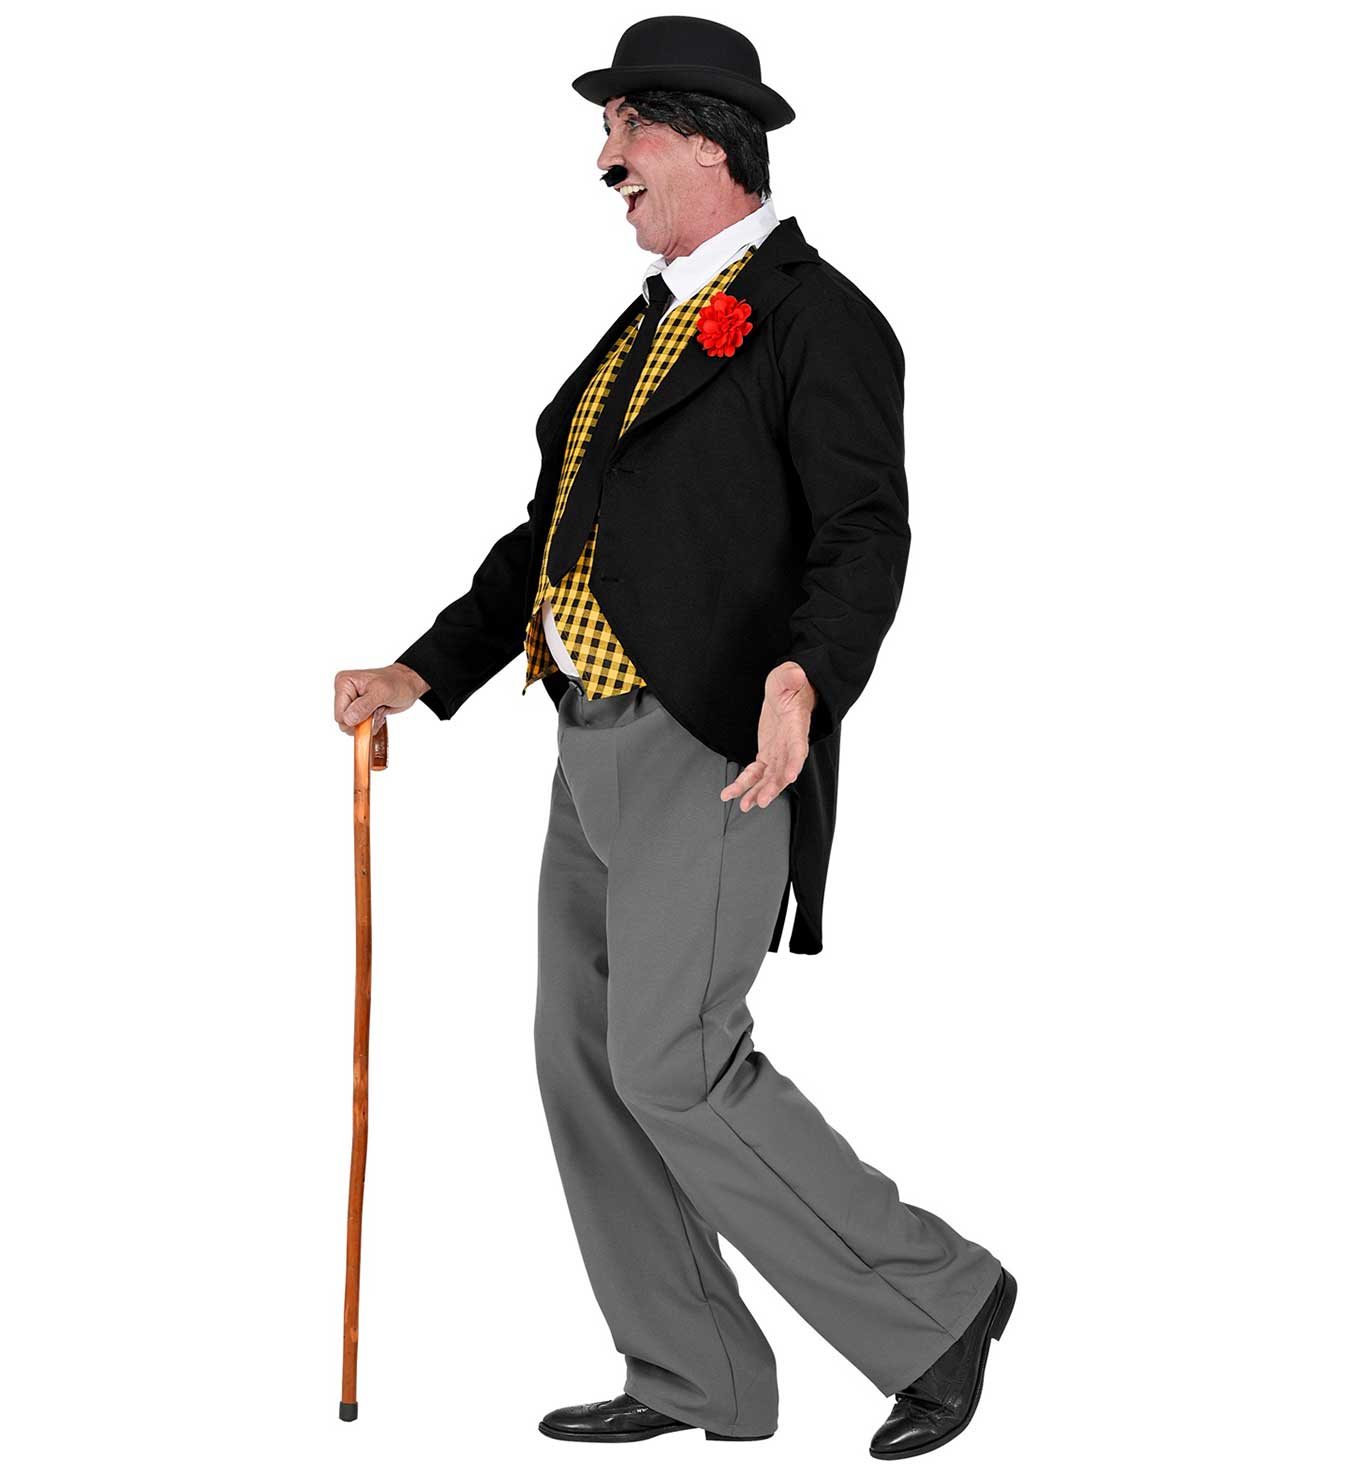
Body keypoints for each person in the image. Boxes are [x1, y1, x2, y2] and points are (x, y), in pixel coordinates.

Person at [332, 15, 1014, 1460]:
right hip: (585, 738)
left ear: (706, 140)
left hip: (709, 742)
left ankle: (937, 1300)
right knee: (582, 1059)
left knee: (674, 1061)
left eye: (624, 131)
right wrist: (421, 669)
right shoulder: (638, 330)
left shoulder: (820, 318)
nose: (605, 162)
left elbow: (864, 531)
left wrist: (805, 679)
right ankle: (695, 1371)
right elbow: (549, 536)